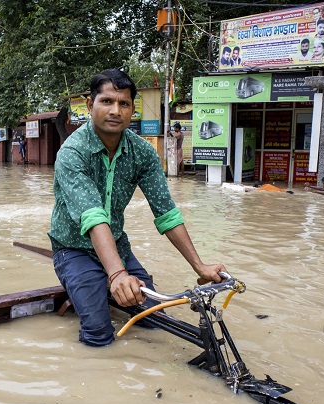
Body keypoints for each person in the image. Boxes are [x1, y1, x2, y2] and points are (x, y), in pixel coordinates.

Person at [48, 69, 228, 347]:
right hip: (73, 249)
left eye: (124, 104)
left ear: (132, 109)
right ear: (90, 105)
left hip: (117, 246)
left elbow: (166, 212)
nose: (115, 111)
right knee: (98, 333)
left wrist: (200, 266)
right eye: (106, 101)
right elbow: (93, 216)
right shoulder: (72, 152)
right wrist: (118, 275)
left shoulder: (142, 152)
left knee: (154, 319)